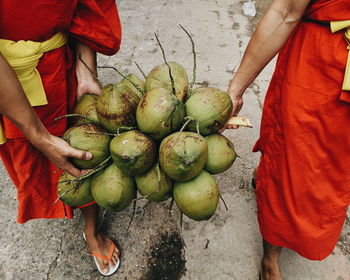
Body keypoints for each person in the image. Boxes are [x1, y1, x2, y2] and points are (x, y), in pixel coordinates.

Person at [226, 0, 350, 279]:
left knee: (333, 173)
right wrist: (236, 90)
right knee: (290, 165)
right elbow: (285, 12)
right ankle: (270, 259)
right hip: (316, 71)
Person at [0, 0, 122, 276]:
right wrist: (38, 136)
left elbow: (90, 7)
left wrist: (85, 68)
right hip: (8, 84)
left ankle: (92, 229)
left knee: (88, 155)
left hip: (61, 65)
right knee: (38, 164)